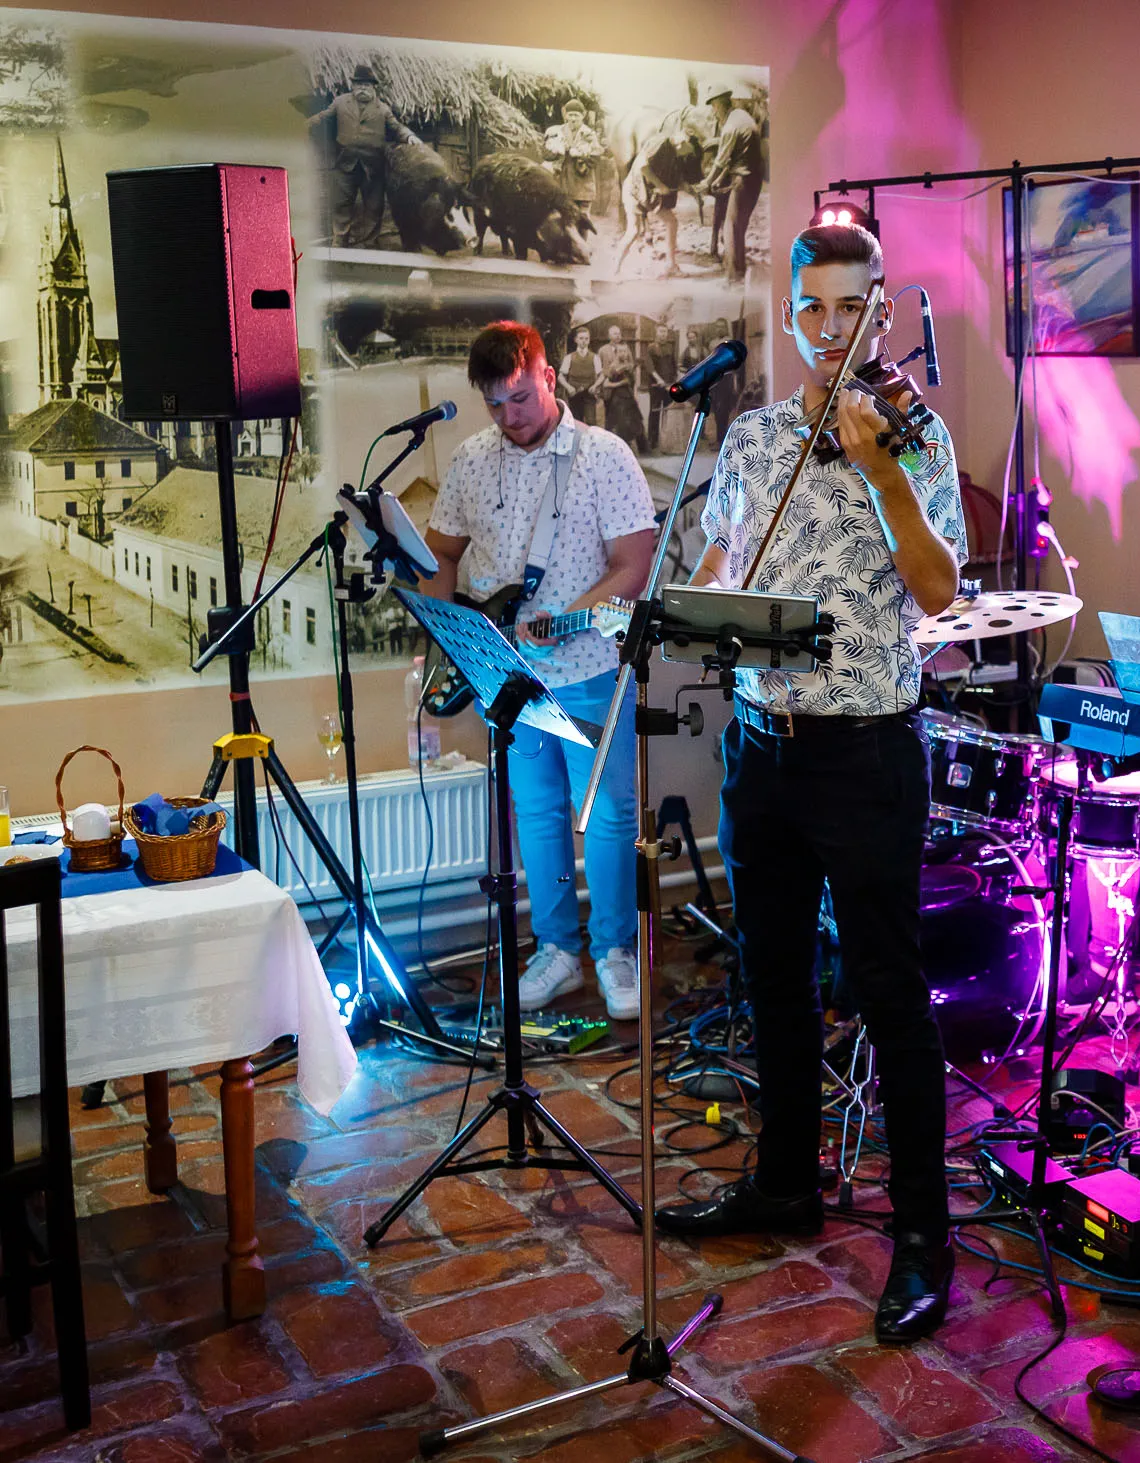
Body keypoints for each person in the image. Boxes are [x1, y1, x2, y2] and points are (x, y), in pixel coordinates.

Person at [657, 224, 964, 1344]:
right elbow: (724, 560)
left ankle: (924, 1235)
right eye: (812, 310)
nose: (831, 330)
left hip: (864, 751)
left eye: (851, 309)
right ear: (789, 314)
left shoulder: (914, 435)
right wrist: (690, 605)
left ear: (880, 310)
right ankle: (786, 1178)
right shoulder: (754, 435)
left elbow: (938, 590)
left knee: (888, 991)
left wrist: (882, 472)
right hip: (760, 746)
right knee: (772, 976)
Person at [420, 322, 657, 1023]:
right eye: (495, 404)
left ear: (549, 378)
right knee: (538, 811)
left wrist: (568, 618)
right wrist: (452, 639)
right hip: (508, 676)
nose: (510, 416)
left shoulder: (604, 456)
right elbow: (440, 554)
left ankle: (615, 951)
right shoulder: (471, 458)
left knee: (607, 814)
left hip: (589, 665)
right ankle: (557, 949)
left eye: (520, 398)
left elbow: (634, 565)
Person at [306, 66, 422, 247]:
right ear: (352, 86)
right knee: (341, 205)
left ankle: (368, 243)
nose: (362, 88)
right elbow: (324, 116)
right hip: (345, 163)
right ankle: (340, 243)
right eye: (358, 84)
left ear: (373, 87)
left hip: (373, 167)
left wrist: (410, 136)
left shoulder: (382, 109)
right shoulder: (340, 102)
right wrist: (305, 123)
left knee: (374, 207)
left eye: (366, 85)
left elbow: (397, 127)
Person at [701, 84, 764, 286]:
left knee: (730, 227)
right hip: (751, 178)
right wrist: (718, 180)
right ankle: (739, 271)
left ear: (720, 104)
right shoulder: (741, 116)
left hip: (743, 179)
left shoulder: (730, 126)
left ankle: (733, 279)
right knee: (738, 227)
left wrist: (707, 182)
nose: (713, 112)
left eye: (713, 107)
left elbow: (721, 161)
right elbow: (736, 156)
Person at [544, 98, 605, 216]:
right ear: (565, 115)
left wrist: (580, 155)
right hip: (562, 182)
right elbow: (546, 154)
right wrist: (557, 151)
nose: (573, 119)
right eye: (570, 115)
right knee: (562, 216)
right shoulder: (556, 132)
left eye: (576, 115)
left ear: (583, 115)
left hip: (582, 182)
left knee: (583, 217)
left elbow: (596, 158)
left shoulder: (589, 134)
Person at [598, 323, 645, 453]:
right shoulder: (603, 350)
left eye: (619, 333)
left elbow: (630, 365)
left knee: (627, 418)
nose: (617, 336)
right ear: (609, 335)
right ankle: (609, 447)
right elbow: (601, 370)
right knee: (611, 418)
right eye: (615, 333)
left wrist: (629, 372)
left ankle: (630, 445)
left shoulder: (626, 348)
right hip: (609, 389)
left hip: (624, 392)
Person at [644, 323, 678, 452]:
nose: (663, 334)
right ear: (656, 333)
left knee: (668, 411)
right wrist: (659, 380)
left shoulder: (670, 347)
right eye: (661, 331)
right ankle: (652, 441)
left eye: (665, 332)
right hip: (656, 386)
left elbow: (674, 366)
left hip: (669, 386)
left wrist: (673, 381)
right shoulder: (651, 348)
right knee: (655, 411)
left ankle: (667, 440)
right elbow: (650, 367)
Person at [559, 326, 600, 425]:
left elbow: (601, 375)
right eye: (581, 338)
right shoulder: (569, 357)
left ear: (589, 340)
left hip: (589, 394)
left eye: (586, 339)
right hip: (574, 394)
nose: (584, 341)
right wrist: (568, 387)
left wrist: (595, 386)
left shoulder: (595, 357)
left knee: (591, 422)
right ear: (576, 340)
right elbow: (560, 376)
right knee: (576, 422)